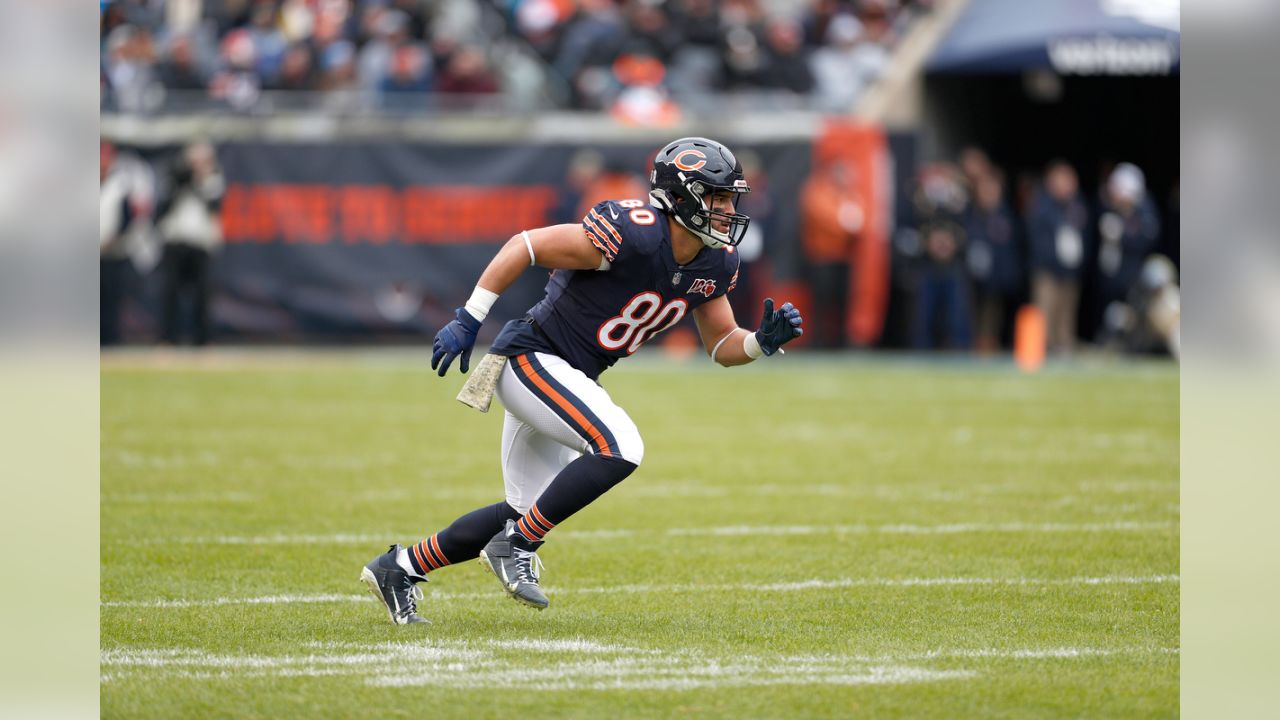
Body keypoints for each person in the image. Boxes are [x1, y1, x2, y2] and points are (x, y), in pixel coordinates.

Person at [360, 137, 805, 624]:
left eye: (729, 200)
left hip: (567, 373)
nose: (727, 211)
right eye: (717, 198)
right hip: (532, 357)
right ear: (680, 197)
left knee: (521, 508)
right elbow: (525, 246)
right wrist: (470, 317)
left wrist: (760, 342)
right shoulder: (634, 232)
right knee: (621, 446)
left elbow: (721, 345)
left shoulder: (715, 262)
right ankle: (518, 546)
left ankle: (400, 567)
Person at [155, 141, 225, 346]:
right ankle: (168, 338)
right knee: (171, 291)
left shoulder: (215, 180)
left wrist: (198, 181)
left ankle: (202, 340)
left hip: (200, 242)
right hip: (176, 239)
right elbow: (164, 207)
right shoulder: (176, 178)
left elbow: (213, 206)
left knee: (202, 294)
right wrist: (182, 181)